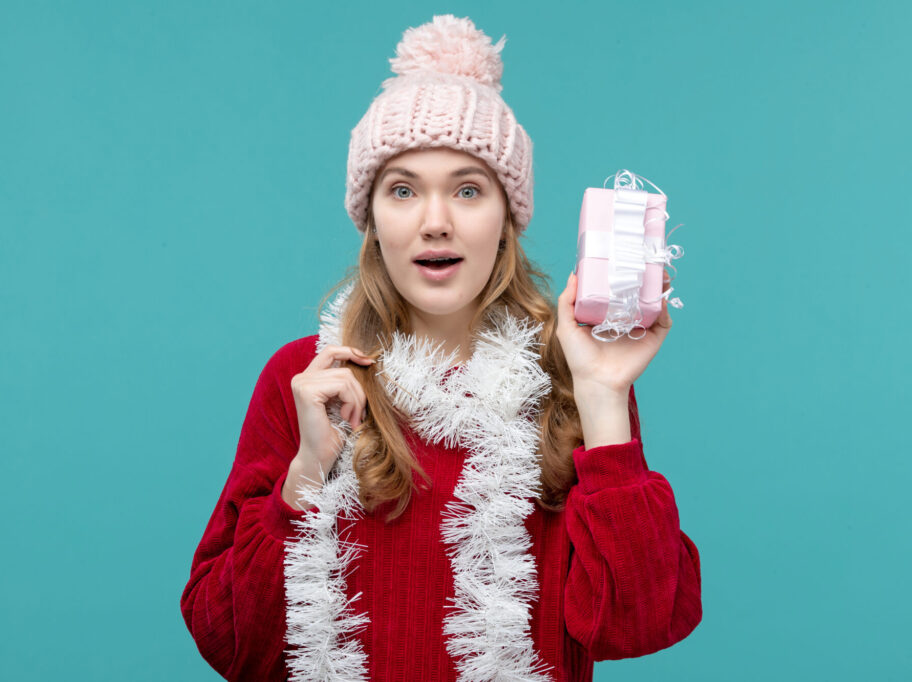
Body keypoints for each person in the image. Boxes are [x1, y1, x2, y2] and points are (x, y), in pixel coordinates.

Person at [181, 14, 702, 681]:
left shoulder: (571, 377)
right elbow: (227, 642)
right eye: (402, 190)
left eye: (467, 189)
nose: (435, 221)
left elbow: (640, 623)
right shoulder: (304, 377)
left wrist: (603, 399)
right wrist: (306, 474)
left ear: (507, 220)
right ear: (371, 222)